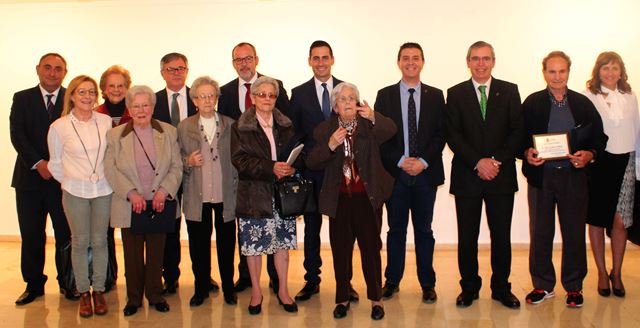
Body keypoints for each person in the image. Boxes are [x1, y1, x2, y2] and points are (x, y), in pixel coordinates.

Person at [522, 51, 607, 308]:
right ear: (544, 73)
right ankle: (542, 285)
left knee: (573, 232)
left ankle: (574, 287)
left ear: (568, 72)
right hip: (542, 177)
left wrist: (589, 155)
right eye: (552, 71)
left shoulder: (582, 104)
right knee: (540, 232)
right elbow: (518, 137)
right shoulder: (532, 103)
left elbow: (599, 139)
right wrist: (526, 153)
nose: (557, 77)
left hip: (574, 177)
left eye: (561, 71)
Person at [306, 82, 396, 320]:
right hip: (340, 201)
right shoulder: (325, 130)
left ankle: (377, 299)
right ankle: (342, 298)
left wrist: (375, 116)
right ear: (335, 107)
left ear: (357, 104)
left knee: (371, 250)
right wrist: (330, 146)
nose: (347, 102)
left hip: (368, 199)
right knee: (341, 251)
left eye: (351, 98)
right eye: (342, 99)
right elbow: (311, 162)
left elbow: (391, 130)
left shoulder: (368, 125)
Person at [446, 41, 523, 309]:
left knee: (501, 235)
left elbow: (517, 131)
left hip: (501, 176)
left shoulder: (509, 91)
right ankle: (469, 288)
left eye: (486, 58)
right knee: (467, 236)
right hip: (468, 175)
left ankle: (502, 288)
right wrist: (477, 162)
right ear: (468, 61)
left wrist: (496, 161)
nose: (481, 63)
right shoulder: (454, 93)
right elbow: (452, 134)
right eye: (476, 58)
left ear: (493, 61)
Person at [375, 42, 446, 303]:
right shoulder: (385, 95)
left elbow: (441, 134)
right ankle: (392, 280)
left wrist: (423, 161)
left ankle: (427, 283)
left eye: (415, 58)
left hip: (426, 175)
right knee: (396, 231)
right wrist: (403, 160)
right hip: (396, 175)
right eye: (405, 58)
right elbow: (380, 136)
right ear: (399, 62)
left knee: (424, 231)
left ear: (422, 62)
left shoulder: (436, 95)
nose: (410, 62)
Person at [104, 85, 183, 316]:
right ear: (128, 108)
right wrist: (130, 192)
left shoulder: (168, 132)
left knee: (157, 253)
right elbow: (111, 170)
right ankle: (134, 298)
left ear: (153, 107)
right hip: (130, 204)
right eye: (136, 106)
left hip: (159, 203)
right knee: (133, 255)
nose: (141, 110)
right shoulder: (115, 135)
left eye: (145, 105)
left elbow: (177, 166)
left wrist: (163, 192)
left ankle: (155, 294)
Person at [289, 40, 358, 302]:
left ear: (332, 59)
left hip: (343, 173)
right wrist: (306, 161)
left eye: (324, 57)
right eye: (315, 58)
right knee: (312, 229)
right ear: (309, 61)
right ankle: (311, 280)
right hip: (313, 172)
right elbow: (294, 134)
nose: (320, 62)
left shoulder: (347, 90)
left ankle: (346, 282)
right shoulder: (299, 93)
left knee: (344, 231)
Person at [219, 42, 288, 293]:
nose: (244, 63)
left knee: (278, 235)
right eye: (238, 59)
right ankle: (247, 278)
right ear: (233, 63)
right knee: (249, 234)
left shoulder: (276, 86)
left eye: (248, 58)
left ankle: (275, 280)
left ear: (256, 59)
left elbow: (286, 130)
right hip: (244, 178)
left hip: (275, 180)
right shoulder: (224, 92)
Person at [10, 53, 75, 305]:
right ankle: (34, 284)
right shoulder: (22, 98)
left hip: (63, 181)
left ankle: (67, 283)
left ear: (65, 72)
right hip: (29, 179)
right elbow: (17, 134)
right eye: (47, 67)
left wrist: (56, 166)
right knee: (31, 234)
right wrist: (39, 163)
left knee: (65, 234)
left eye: (58, 69)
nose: (52, 73)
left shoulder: (73, 98)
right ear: (38, 69)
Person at [231, 76, 299, 315]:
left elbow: (295, 153)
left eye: (271, 95)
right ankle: (257, 293)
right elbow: (239, 161)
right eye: (262, 95)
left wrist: (291, 167)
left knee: (282, 245)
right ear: (253, 97)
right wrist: (271, 167)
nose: (267, 99)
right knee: (254, 247)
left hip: (281, 195)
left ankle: (283, 290)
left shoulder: (286, 124)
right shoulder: (240, 126)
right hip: (254, 196)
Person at [47, 75, 113, 317]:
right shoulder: (59, 126)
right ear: (72, 96)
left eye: (92, 92)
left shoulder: (105, 121)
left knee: (100, 241)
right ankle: (83, 291)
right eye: (82, 92)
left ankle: (99, 290)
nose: (88, 97)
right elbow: (55, 163)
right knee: (79, 241)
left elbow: (111, 155)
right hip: (75, 192)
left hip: (103, 190)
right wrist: (71, 181)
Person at [178, 76, 239, 306]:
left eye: (211, 95)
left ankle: (229, 288)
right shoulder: (184, 127)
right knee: (198, 246)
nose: (207, 100)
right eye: (202, 96)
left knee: (226, 245)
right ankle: (201, 287)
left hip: (225, 195)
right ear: (194, 100)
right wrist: (188, 161)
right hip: (197, 195)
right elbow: (176, 160)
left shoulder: (230, 125)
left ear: (216, 98)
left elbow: (238, 158)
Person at [584, 52, 639, 299]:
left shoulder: (629, 96)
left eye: (614, 68)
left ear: (621, 71)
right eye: (605, 68)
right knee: (596, 219)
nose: (610, 73)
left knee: (620, 221)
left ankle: (616, 272)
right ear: (598, 71)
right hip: (599, 162)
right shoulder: (588, 97)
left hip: (625, 161)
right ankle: (601, 273)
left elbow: (637, 132)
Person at [152, 52, 203, 294]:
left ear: (187, 70)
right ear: (162, 73)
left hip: (197, 172)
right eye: (171, 69)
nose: (177, 73)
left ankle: (202, 277)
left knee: (197, 227)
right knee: (169, 227)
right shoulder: (153, 101)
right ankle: (170, 276)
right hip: (165, 174)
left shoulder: (199, 97)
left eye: (181, 68)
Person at [95, 64, 133, 292]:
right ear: (104, 89)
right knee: (103, 234)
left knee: (131, 235)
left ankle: (134, 279)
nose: (117, 90)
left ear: (127, 88)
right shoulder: (95, 114)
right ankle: (108, 276)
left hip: (130, 185)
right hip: (101, 183)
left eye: (121, 85)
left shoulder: (136, 112)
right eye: (112, 86)